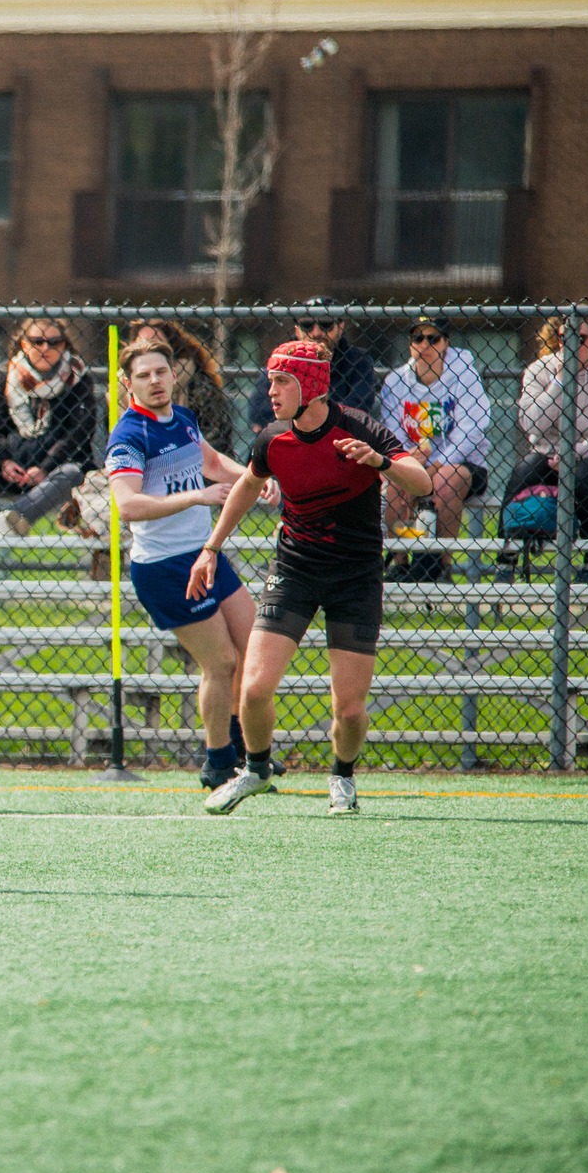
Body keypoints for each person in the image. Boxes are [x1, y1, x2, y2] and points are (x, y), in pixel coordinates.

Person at [193, 341, 430, 818]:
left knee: (349, 710)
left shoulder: (358, 427)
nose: (271, 391)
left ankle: (342, 775)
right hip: (295, 569)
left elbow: (421, 482)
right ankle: (256, 770)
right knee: (254, 688)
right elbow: (248, 484)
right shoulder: (273, 439)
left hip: (355, 576)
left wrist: (380, 462)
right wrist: (211, 547)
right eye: (271, 380)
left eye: (282, 381)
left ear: (312, 387)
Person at [106, 337, 256, 789]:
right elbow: (128, 505)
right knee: (221, 661)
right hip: (165, 567)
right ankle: (217, 762)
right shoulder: (130, 436)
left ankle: (242, 747)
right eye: (143, 375)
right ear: (127, 383)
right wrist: (196, 496)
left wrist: (256, 478)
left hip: (204, 554)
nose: (154, 381)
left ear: (175, 374)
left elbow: (211, 462)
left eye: (161, 372)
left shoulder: (184, 419)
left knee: (254, 645)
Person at [0, 317, 97, 536]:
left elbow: (78, 433)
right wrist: (4, 462)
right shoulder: (9, 376)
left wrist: (44, 468)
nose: (45, 348)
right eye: (37, 341)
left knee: (73, 473)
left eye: (54, 342)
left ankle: (15, 519)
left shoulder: (78, 379)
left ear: (64, 345)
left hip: (55, 470)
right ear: (24, 344)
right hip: (13, 470)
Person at [378, 315, 491, 582]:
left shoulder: (464, 375)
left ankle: (441, 566)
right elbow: (392, 431)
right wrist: (408, 461)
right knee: (392, 481)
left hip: (462, 464)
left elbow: (471, 429)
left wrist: (437, 464)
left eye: (433, 338)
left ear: (446, 343)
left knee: (445, 480)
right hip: (414, 462)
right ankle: (400, 563)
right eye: (418, 338)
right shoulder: (396, 382)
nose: (425, 345)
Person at [509, 314, 588, 547]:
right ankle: (507, 553)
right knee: (526, 469)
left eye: (580, 338)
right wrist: (559, 382)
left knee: (585, 474)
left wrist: (572, 453)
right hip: (551, 455)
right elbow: (532, 423)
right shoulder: (539, 370)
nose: (571, 345)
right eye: (564, 338)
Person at [246, 298, 377, 430]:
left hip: (340, 437)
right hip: (292, 436)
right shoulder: (283, 358)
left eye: (326, 324)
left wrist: (298, 418)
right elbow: (258, 411)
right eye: (307, 325)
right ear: (297, 330)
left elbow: (358, 409)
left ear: (340, 327)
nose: (316, 333)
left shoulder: (357, 360)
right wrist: (308, 424)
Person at [126, 318, 234, 456]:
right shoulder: (119, 390)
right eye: (142, 342)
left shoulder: (198, 385)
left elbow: (216, 442)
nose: (154, 380)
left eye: (156, 342)